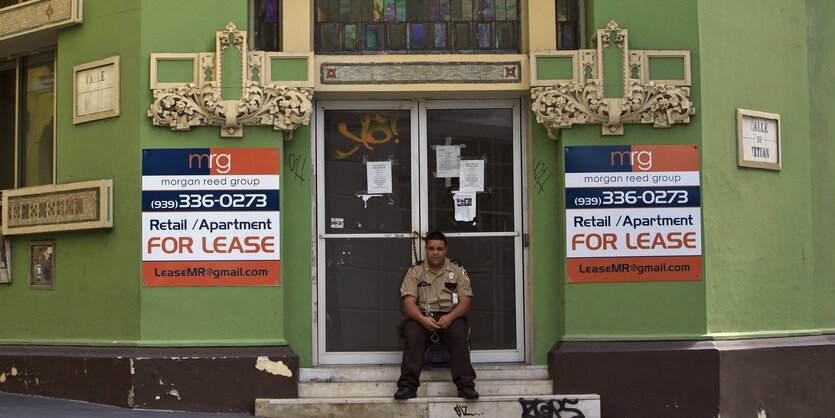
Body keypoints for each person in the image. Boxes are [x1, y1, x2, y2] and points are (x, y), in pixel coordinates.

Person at [394, 231, 479, 400]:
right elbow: (408, 303)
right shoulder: (415, 271)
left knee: (458, 333)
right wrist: (422, 319)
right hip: (422, 316)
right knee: (413, 333)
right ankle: (407, 387)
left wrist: (451, 317)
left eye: (439, 249)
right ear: (426, 249)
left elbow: (465, 302)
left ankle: (466, 386)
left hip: (450, 316)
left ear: (446, 249)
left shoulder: (457, 270)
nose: (435, 252)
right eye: (431, 248)